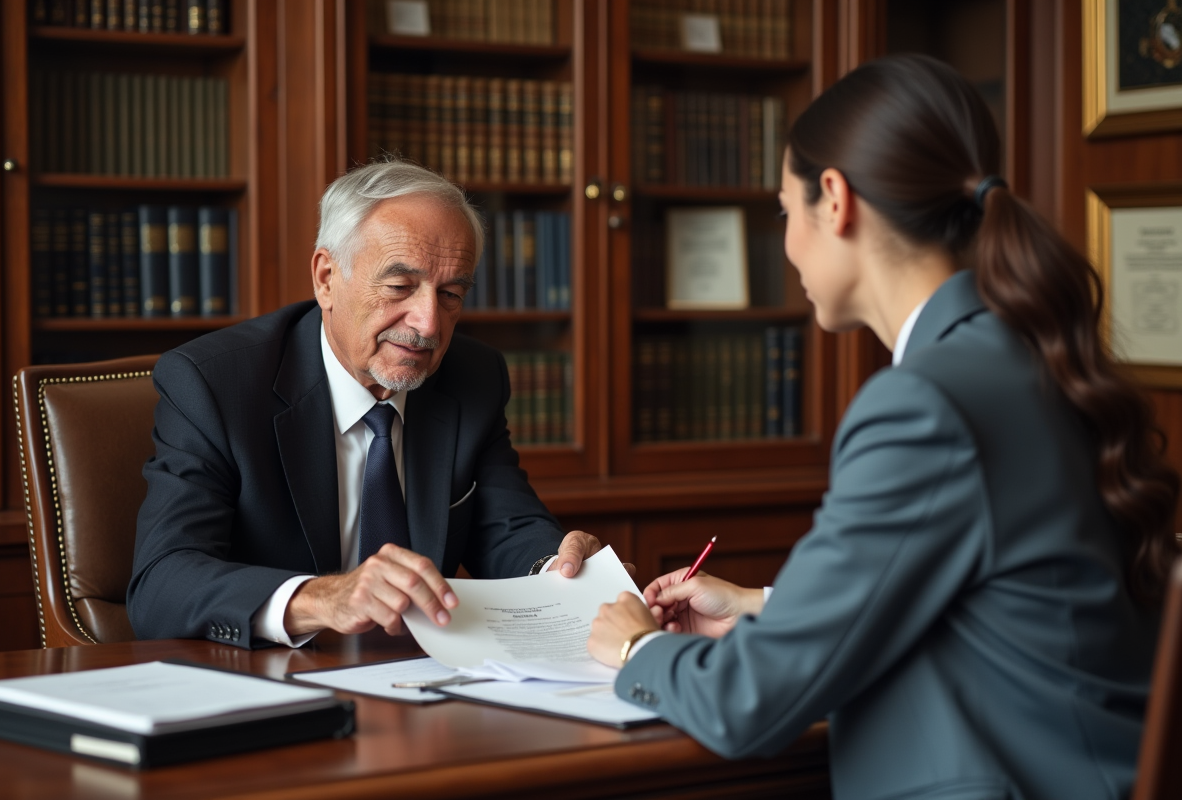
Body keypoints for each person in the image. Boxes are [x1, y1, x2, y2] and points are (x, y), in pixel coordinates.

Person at [588, 54, 1180, 800]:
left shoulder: (923, 404)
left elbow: (751, 705)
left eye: (783, 212)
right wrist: (760, 607)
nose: (786, 245)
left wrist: (638, 648)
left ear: (833, 200)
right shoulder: (1028, 353)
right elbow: (992, 584)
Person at [129, 159, 605, 649]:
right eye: (399, 287)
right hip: (274, 680)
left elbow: (505, 527)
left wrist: (558, 570)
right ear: (327, 278)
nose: (427, 324)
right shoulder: (214, 384)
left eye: (450, 294)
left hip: (423, 682)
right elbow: (162, 582)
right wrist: (322, 599)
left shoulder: (472, 377)